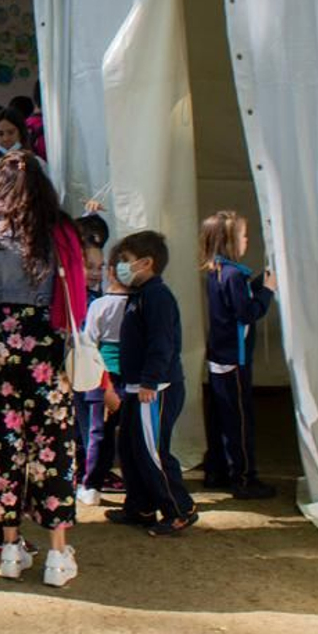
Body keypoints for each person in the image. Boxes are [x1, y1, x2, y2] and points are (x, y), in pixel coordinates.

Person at [0, 150, 84, 587]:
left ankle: (9, 548)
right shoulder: (59, 231)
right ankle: (57, 553)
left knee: (1, 446)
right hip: (47, 346)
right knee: (53, 450)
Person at [109, 230, 199, 536]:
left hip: (155, 389)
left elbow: (162, 343)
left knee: (152, 451)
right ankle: (140, 506)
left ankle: (179, 508)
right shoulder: (141, 296)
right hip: (138, 389)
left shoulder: (157, 297)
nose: (120, 266)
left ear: (146, 263)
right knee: (131, 449)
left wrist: (150, 380)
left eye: (125, 260)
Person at [198, 210, 278, 499]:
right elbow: (247, 312)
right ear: (230, 241)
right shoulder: (233, 275)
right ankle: (245, 478)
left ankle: (216, 471)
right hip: (235, 360)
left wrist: (258, 283)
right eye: (243, 236)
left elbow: (238, 300)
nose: (247, 240)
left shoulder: (217, 271)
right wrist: (267, 292)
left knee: (220, 417)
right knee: (240, 421)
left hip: (219, 357)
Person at [77, 257, 129, 506]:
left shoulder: (99, 304)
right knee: (129, 436)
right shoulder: (137, 302)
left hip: (102, 378)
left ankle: (91, 486)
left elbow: (88, 343)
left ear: (110, 273)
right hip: (127, 380)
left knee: (99, 434)